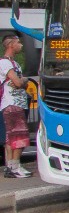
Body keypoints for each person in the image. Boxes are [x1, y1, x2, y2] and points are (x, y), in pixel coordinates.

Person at [0, 35, 32, 178]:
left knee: (11, 137)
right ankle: (16, 166)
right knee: (20, 135)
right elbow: (19, 83)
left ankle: (11, 166)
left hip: (17, 103)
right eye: (18, 42)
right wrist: (22, 81)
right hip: (12, 104)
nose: (21, 45)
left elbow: (21, 81)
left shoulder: (15, 64)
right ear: (11, 45)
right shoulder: (5, 63)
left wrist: (21, 80)